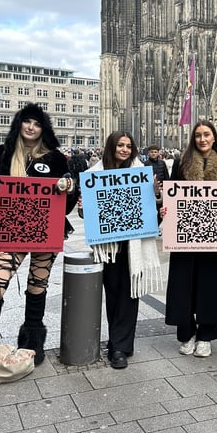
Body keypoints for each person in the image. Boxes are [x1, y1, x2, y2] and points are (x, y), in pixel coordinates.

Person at [0, 103, 78, 379]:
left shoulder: (56, 158)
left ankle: (32, 341)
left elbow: (67, 203)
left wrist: (69, 189)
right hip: (11, 231)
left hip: (46, 230)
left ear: (44, 129)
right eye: (27, 121)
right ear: (19, 124)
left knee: (37, 285)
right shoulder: (1, 154)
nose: (31, 127)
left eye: (37, 123)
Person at [87, 131, 162, 369]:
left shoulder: (141, 173)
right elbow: (88, 215)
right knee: (113, 293)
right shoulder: (95, 173)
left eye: (129, 146)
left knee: (130, 294)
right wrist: (82, 206)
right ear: (112, 146)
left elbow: (150, 214)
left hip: (133, 245)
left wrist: (155, 196)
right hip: (109, 246)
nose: (125, 150)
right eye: (120, 145)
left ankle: (120, 345)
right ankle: (117, 341)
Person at [163, 121, 217, 357]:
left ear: (214, 138)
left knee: (210, 284)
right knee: (183, 283)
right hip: (184, 235)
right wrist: (165, 209)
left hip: (214, 236)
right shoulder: (181, 164)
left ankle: (206, 335)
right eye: (198, 135)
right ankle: (186, 333)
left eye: (206, 135)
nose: (202, 139)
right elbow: (171, 193)